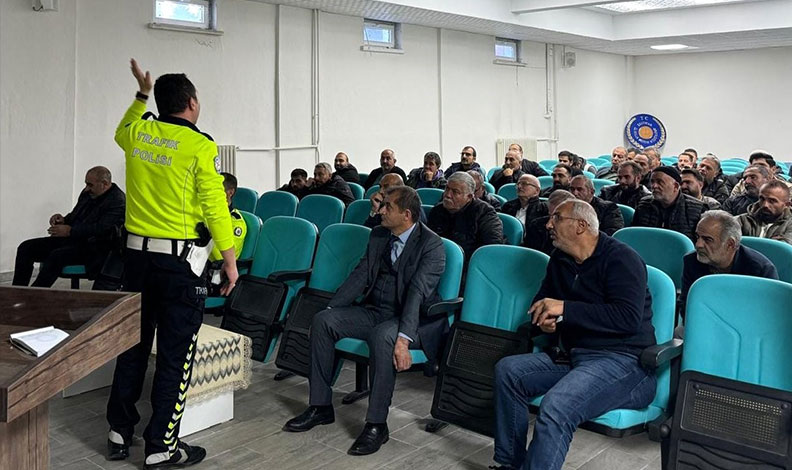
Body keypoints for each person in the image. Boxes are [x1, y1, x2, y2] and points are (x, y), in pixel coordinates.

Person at [106, 59, 238, 468]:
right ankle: (161, 448)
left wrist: (140, 94)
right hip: (178, 267)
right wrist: (230, 261)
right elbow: (215, 207)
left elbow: (120, 130)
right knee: (175, 356)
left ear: (160, 103)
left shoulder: (139, 133)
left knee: (132, 344)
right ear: (192, 103)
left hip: (134, 261)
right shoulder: (200, 146)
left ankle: (118, 430)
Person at [491, 199, 656, 470]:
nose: (548, 224)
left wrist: (565, 309)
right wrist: (545, 322)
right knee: (509, 371)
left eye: (556, 218)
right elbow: (542, 302)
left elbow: (627, 318)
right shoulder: (560, 258)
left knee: (557, 405)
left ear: (581, 225)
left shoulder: (622, 259)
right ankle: (511, 464)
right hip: (574, 356)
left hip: (625, 362)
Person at [283, 186, 446, 456]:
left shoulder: (431, 245)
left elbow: (417, 294)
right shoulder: (379, 234)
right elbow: (360, 275)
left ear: (406, 214)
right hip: (375, 310)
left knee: (382, 337)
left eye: (388, 207)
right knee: (323, 320)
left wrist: (403, 340)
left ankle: (376, 425)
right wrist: (333, 307)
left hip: (411, 319)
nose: (380, 210)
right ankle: (320, 406)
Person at [13, 166, 125, 289]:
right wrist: (63, 220)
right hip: (73, 240)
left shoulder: (118, 201)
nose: (87, 188)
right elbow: (76, 215)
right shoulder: (88, 194)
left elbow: (101, 229)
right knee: (25, 248)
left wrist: (70, 231)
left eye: (90, 185)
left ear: (104, 184)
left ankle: (34, 293)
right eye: (86, 184)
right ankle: (16, 291)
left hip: (95, 248)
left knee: (57, 256)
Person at [680, 211, 778, 318]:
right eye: (697, 237)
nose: (698, 244)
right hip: (704, 323)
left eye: (707, 240)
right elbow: (687, 308)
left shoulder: (761, 270)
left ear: (730, 244)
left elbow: (769, 317)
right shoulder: (691, 261)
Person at [427, 172, 504, 264]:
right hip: (439, 261)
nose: (447, 195)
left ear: (469, 197)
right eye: (447, 189)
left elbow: (490, 250)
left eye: (455, 192)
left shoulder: (485, 213)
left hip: (471, 264)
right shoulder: (437, 211)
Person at [632, 166, 706, 242]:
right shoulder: (644, 205)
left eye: (660, 182)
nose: (654, 186)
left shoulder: (697, 209)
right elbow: (635, 235)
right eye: (652, 182)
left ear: (675, 186)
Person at [522, 190, 576, 255]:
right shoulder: (536, 225)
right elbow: (529, 255)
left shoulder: (578, 236)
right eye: (550, 215)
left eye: (557, 218)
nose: (548, 225)